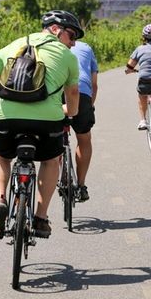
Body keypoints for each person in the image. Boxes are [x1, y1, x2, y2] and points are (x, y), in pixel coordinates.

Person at [0, 10, 82, 240]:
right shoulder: (67, 57)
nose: (73, 42)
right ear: (55, 30)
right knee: (50, 160)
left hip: (8, 118)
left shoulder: (15, 44)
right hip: (47, 123)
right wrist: (71, 112)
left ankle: (0, 200)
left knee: (0, 156)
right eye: (71, 35)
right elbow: (73, 92)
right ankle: (41, 217)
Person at [69, 40, 98, 202]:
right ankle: (81, 185)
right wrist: (89, 106)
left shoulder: (45, 44)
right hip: (82, 93)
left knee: (54, 140)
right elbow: (94, 84)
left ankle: (59, 174)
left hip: (55, 94)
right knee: (84, 138)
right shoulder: (86, 47)